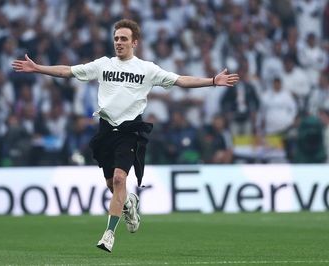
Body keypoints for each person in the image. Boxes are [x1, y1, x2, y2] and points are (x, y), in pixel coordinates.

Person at [12, 19, 239, 253]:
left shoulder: (147, 69)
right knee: (112, 184)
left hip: (130, 130)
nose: (119, 43)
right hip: (106, 130)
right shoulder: (102, 65)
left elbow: (180, 80)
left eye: (123, 39)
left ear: (135, 43)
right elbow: (68, 71)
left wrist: (212, 81)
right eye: (116, 39)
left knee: (120, 179)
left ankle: (109, 234)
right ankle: (129, 202)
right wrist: (38, 68)